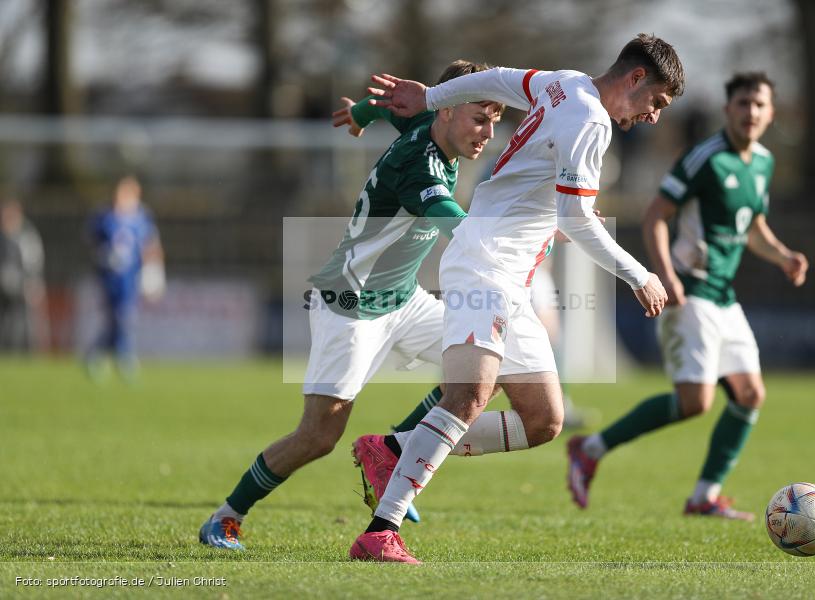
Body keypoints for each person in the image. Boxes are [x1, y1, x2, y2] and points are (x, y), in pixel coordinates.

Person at [349, 33, 684, 563]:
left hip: (512, 278)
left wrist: (431, 96)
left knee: (544, 420)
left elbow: (496, 78)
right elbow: (577, 217)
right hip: (485, 264)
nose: (653, 116)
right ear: (636, 78)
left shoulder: (564, 83)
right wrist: (638, 274)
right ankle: (380, 531)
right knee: (468, 396)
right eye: (656, 101)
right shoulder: (591, 120)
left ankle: (392, 448)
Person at [197, 60, 507, 550]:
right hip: (352, 303)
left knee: (487, 367)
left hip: (403, 299)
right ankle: (226, 517)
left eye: (494, 120)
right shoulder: (420, 164)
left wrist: (360, 113)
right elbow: (455, 226)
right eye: (479, 118)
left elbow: (390, 106)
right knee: (318, 437)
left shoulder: (426, 120)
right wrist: (531, 238)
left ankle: (392, 449)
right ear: (446, 111)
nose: (488, 133)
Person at [567, 72, 808, 521]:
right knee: (696, 401)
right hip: (690, 291)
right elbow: (655, 215)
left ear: (771, 113)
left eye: (759, 104)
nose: (751, 112)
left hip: (724, 297)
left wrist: (783, 256)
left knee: (750, 394)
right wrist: (665, 274)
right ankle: (590, 448)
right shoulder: (705, 158)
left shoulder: (763, 163)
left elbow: (752, 226)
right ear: (728, 109)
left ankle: (704, 496)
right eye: (743, 103)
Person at [85, 175, 164, 380]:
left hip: (130, 277)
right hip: (109, 278)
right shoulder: (104, 217)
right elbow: (91, 244)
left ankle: (105, 355)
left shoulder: (142, 218)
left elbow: (151, 245)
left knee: (125, 317)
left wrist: (154, 272)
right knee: (116, 318)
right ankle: (119, 357)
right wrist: (103, 257)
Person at [0, 198, 47, 352]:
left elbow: (33, 263)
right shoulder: (2, 238)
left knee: (22, 324)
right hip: (4, 290)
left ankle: (23, 352)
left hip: (21, 289)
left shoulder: (26, 237)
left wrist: (32, 283)